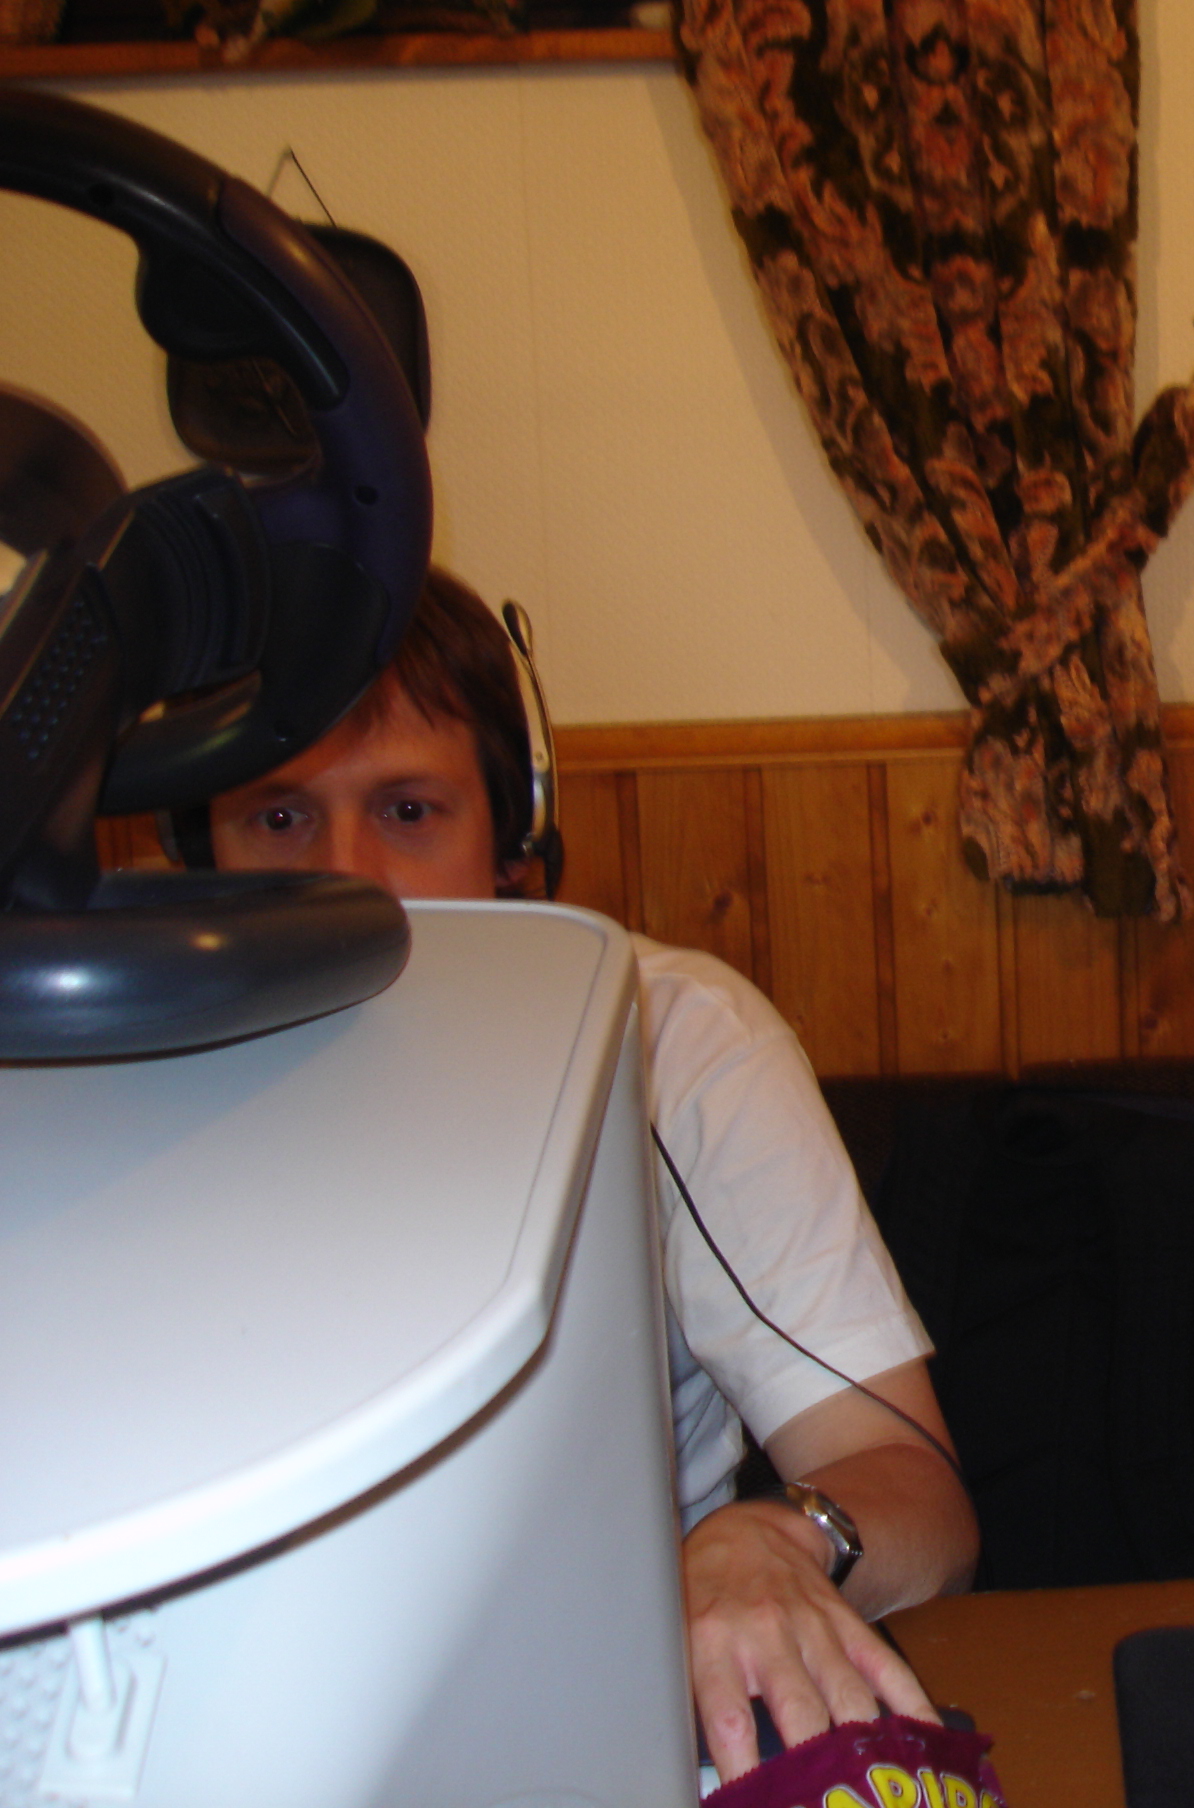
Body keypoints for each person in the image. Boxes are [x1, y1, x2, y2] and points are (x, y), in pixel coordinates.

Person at [191, 567, 980, 1784]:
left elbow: (920, 1501)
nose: (346, 879)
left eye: (408, 811)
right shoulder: (102, 1085)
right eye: (280, 817)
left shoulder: (673, 1042)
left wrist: (770, 1542)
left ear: (515, 840)